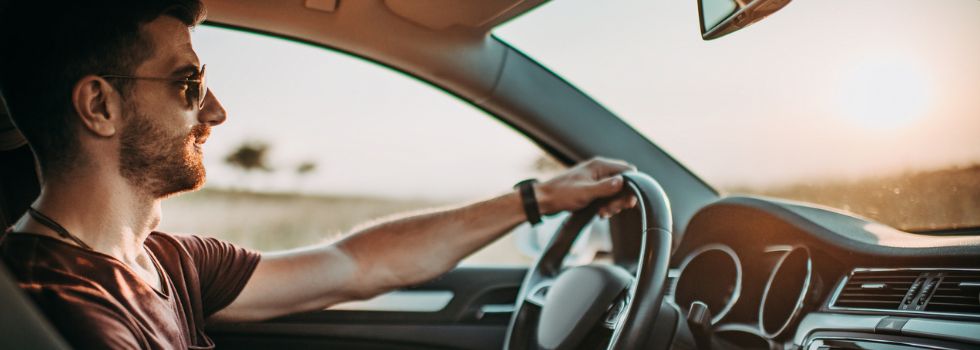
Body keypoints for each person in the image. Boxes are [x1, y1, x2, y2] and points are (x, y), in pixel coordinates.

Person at [0, 1, 637, 348]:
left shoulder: (165, 261)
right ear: (99, 106)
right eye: (189, 84)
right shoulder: (58, 308)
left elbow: (356, 264)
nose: (217, 111)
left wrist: (539, 197)